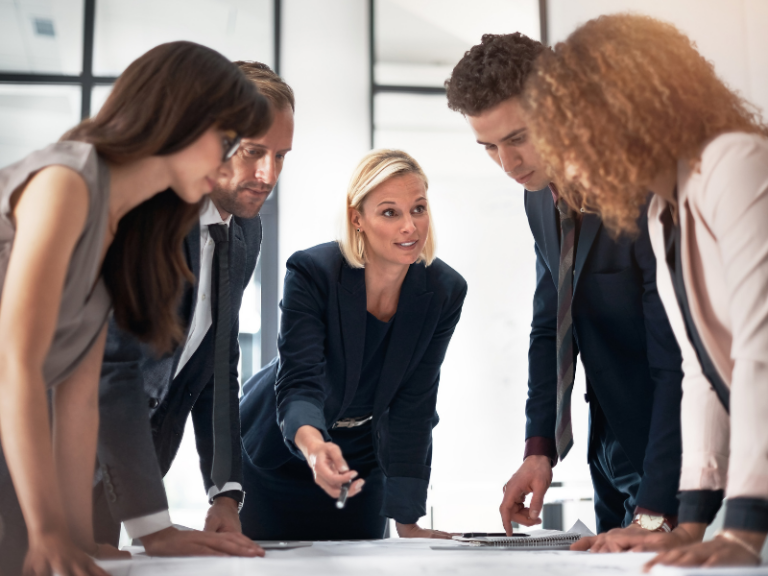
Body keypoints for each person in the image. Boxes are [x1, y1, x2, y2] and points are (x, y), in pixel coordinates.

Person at [0, 41, 270, 576]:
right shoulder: (65, 183)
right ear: (177, 118)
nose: (225, 166)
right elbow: (19, 367)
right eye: (225, 142)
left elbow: (79, 392)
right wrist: (49, 532)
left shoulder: (127, 226)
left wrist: (78, 539)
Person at [521, 13, 768, 568]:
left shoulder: (735, 163)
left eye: (580, 131)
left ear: (636, 109)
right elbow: (704, 373)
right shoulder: (661, 210)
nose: (570, 158)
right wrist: (689, 526)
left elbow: (760, 354)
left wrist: (746, 528)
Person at [445, 33, 684, 537]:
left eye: (517, 138)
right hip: (610, 445)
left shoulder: (642, 188)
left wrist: (657, 509)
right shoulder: (538, 198)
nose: (508, 165)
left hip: (679, 456)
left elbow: (676, 357)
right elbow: (551, 326)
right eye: (489, 147)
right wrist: (539, 450)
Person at [92, 62, 294, 556]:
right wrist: (153, 525)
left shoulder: (247, 231)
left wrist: (224, 492)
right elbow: (111, 367)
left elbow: (218, 362)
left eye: (281, 156)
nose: (268, 175)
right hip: (59, 450)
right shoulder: (148, 213)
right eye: (252, 152)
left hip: (129, 465)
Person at [239, 149, 467, 540]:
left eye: (419, 209)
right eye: (390, 212)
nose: (410, 227)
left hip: (360, 459)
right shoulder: (313, 273)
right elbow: (299, 384)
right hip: (285, 448)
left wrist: (408, 520)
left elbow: (415, 403)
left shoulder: (444, 291)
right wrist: (314, 449)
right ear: (357, 218)